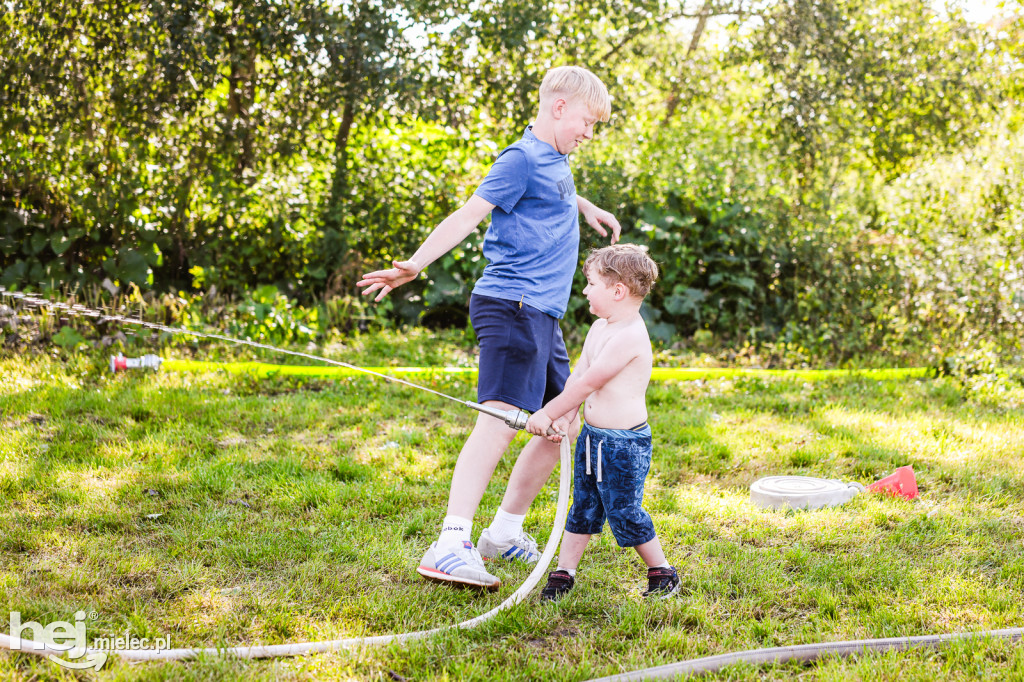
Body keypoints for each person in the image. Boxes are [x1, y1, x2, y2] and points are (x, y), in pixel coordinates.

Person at [357, 66, 621, 590]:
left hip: (543, 313)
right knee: (500, 418)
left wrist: (583, 206)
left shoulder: (554, 159)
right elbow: (468, 215)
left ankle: (502, 532)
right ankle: (451, 540)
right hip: (513, 304)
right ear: (559, 107)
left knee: (562, 423)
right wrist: (415, 263)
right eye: (587, 122)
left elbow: (553, 189)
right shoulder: (520, 159)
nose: (589, 134)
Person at [525, 244, 680, 600]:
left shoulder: (629, 337)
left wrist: (547, 412)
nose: (584, 290)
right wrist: (565, 417)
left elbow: (588, 384)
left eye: (590, 283)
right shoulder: (600, 327)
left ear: (617, 290)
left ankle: (662, 571)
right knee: (583, 505)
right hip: (594, 438)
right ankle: (565, 572)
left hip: (623, 445)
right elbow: (578, 375)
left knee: (624, 509)